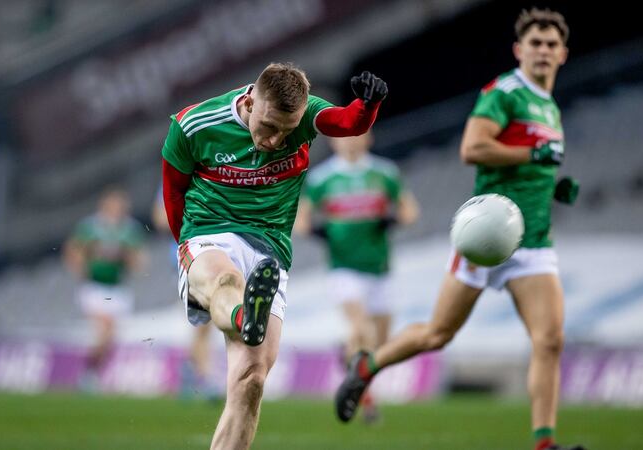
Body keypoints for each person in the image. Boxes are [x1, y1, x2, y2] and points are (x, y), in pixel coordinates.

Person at [334, 8, 584, 450]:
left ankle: (545, 443)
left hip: (534, 241)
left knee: (550, 340)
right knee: (437, 334)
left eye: (551, 44)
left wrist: (552, 187)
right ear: (519, 50)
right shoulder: (504, 93)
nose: (543, 50)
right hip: (487, 237)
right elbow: (473, 148)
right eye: (536, 43)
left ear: (563, 53)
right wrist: (532, 158)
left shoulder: (549, 107)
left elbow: (536, 163)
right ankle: (366, 368)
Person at [162, 62, 387, 450]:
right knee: (224, 281)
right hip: (211, 232)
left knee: (252, 380)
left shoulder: (303, 115)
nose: (275, 141)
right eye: (268, 127)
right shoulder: (193, 124)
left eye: (287, 131)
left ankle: (247, 316)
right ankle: (244, 315)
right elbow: (173, 192)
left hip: (270, 252)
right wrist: (188, 247)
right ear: (249, 102)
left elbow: (347, 123)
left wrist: (369, 104)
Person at [293, 131, 419, 423]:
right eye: (344, 137)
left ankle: (349, 358)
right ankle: (368, 400)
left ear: (369, 139)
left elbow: (410, 210)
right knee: (362, 330)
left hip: (380, 268)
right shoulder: (322, 178)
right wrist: (318, 231)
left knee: (381, 344)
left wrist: (393, 219)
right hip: (344, 268)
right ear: (335, 142)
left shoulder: (384, 172)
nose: (350, 142)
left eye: (356, 136)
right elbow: (302, 219)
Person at [63, 187, 147, 390]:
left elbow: (139, 260)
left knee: (110, 337)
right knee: (106, 328)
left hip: (117, 288)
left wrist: (125, 258)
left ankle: (89, 372)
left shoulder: (129, 229)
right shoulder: (91, 227)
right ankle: (89, 374)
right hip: (95, 286)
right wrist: (80, 267)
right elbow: (73, 249)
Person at [152, 184, 218, 400]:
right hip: (187, 258)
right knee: (204, 322)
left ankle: (191, 369)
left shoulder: (212, 176)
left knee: (207, 323)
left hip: (211, 256)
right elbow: (160, 218)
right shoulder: (176, 177)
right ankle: (205, 376)